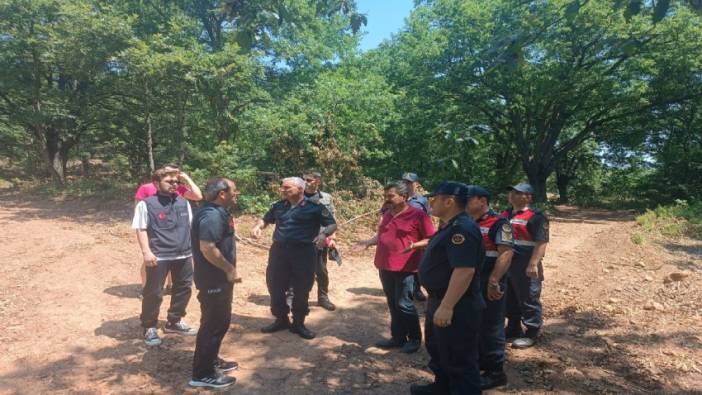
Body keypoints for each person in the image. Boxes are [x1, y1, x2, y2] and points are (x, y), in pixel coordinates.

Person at [411, 181, 485, 395]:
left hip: (458, 304)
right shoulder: (449, 225)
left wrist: (447, 306)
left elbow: (464, 271)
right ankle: (441, 387)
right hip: (440, 299)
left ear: (449, 201)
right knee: (440, 350)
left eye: (434, 198)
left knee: (459, 359)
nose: (430, 202)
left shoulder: (462, 228)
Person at [353, 182, 435, 354]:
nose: (387, 199)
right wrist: (368, 243)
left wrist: (414, 245)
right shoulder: (387, 214)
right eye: (386, 196)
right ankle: (397, 338)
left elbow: (431, 239)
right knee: (392, 303)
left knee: (404, 303)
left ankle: (414, 339)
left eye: (391, 196)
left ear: (403, 197)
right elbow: (382, 235)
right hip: (384, 265)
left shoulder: (418, 215)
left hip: (406, 267)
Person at [252, 177, 337, 339]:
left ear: (300, 189)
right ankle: (281, 319)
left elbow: (332, 224)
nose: (283, 190)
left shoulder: (315, 207)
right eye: (282, 187)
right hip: (279, 252)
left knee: (302, 288)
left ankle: (298, 322)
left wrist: (323, 234)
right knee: (275, 285)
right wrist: (258, 226)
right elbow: (265, 219)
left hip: (304, 252)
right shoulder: (278, 206)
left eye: (287, 188)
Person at [131, 168, 197, 347]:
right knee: (154, 292)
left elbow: (191, 227)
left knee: (183, 288)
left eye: (176, 182)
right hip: (159, 255)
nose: (174, 185)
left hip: (183, 253)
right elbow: (141, 228)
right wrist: (146, 252)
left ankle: (174, 321)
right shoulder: (147, 204)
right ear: (156, 183)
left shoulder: (183, 202)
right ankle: (149, 326)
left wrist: (193, 251)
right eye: (170, 181)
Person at [189, 177, 242, 389]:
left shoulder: (217, 212)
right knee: (213, 324)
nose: (236, 194)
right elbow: (207, 248)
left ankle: (211, 359)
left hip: (218, 279)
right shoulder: (211, 216)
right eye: (234, 191)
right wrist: (229, 269)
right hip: (214, 279)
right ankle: (202, 374)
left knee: (219, 322)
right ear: (222, 194)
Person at [465, 185, 514, 390]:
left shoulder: (499, 223)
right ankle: (477, 363)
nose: (464, 203)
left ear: (482, 201)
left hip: (489, 280)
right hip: (470, 280)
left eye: (468, 199)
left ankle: (495, 372)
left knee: (491, 325)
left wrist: (494, 280)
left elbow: (506, 253)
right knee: (473, 323)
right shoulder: (466, 222)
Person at [134, 164, 203, 294]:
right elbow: (138, 208)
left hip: (175, 229)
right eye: (170, 171)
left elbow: (198, 196)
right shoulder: (146, 188)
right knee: (150, 260)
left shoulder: (177, 188)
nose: (174, 176)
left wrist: (187, 179)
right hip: (155, 228)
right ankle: (145, 287)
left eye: (176, 173)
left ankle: (170, 285)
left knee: (174, 259)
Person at [501, 183, 549, 349]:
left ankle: (532, 331)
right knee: (510, 297)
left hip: (525, 264)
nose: (512, 195)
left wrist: (533, 264)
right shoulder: (505, 214)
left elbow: (541, 242)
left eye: (517, 192)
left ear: (528, 196)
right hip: (507, 264)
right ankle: (513, 328)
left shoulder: (536, 217)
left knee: (528, 298)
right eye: (511, 192)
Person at [294, 170, 337, 311]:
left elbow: (332, 219)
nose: (305, 183)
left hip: (320, 239)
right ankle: (297, 299)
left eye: (309, 180)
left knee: (321, 270)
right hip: (301, 240)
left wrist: (331, 238)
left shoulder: (326, 198)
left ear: (318, 181)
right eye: (303, 180)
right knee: (299, 271)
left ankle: (323, 298)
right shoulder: (298, 197)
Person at [402, 172, 429, 302]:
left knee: (418, 263)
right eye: (404, 182)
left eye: (409, 182)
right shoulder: (398, 198)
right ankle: (402, 287)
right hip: (401, 236)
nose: (406, 185)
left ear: (416, 184)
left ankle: (417, 289)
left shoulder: (422, 200)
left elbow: (427, 219)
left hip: (417, 238)